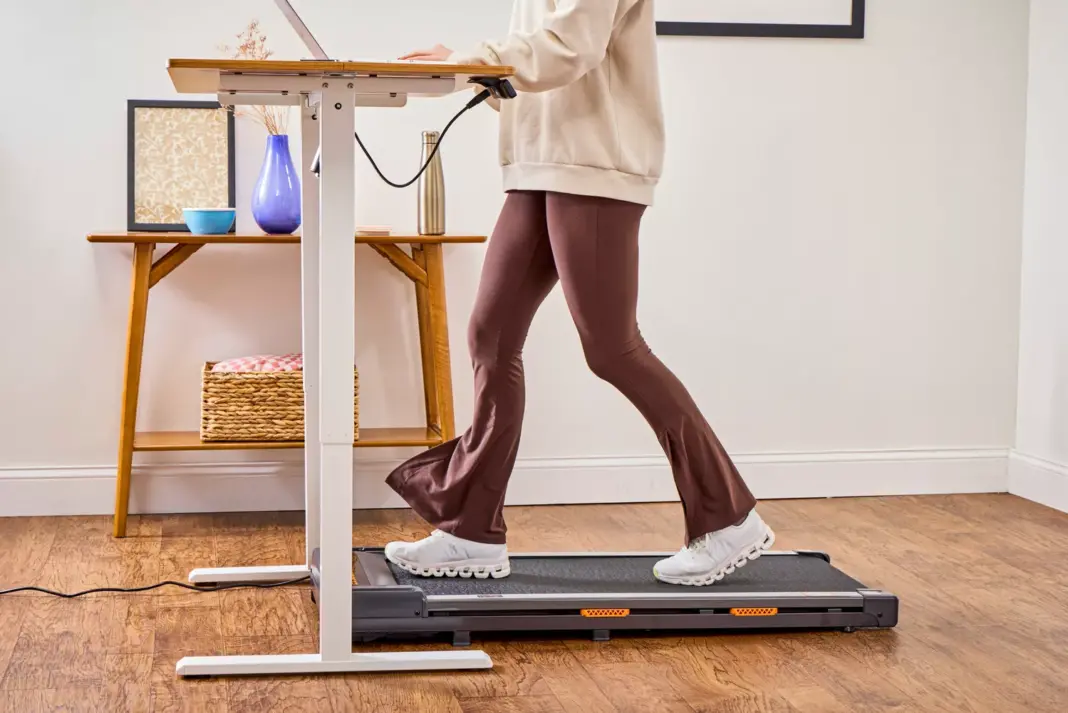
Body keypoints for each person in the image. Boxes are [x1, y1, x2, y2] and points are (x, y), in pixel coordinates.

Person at [384, 0, 773, 586]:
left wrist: (470, 63)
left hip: (592, 169)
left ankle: (728, 517)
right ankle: (470, 530)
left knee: (613, 349)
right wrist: (467, 70)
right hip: (537, 165)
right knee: (490, 336)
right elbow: (540, 69)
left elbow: (572, 49)